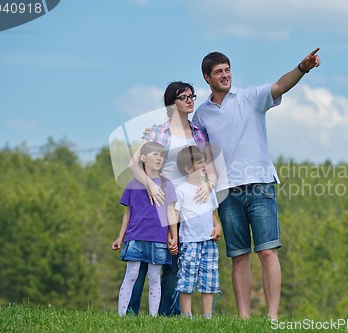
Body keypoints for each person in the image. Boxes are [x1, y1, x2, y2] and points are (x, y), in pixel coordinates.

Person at [191, 49, 321, 319]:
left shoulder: (250, 98)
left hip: (260, 185)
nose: (225, 75)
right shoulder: (201, 115)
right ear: (207, 78)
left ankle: (272, 317)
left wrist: (302, 68)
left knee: (268, 252)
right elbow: (197, 153)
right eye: (218, 72)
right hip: (226, 192)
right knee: (238, 256)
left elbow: (280, 85)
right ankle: (244, 319)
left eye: (227, 70)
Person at [130, 81, 219, 316]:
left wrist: (209, 186)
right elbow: (134, 165)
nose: (190, 100)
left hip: (190, 208)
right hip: (159, 204)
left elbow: (211, 171)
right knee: (146, 261)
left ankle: (169, 315)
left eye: (192, 96)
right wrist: (149, 184)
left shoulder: (200, 135)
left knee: (177, 263)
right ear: (172, 103)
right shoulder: (157, 132)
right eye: (183, 97)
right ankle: (130, 312)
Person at [111, 141, 178, 317]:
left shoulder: (167, 184)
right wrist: (120, 236)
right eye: (154, 154)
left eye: (162, 155)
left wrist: (174, 235)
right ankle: (122, 315)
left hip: (158, 239)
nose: (159, 158)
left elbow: (171, 212)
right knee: (131, 275)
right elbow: (127, 213)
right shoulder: (132, 184)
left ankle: (153, 317)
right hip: (134, 237)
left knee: (155, 278)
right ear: (143, 158)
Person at [174, 145, 222, 319]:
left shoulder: (208, 190)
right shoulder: (181, 190)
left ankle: (207, 316)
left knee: (209, 279)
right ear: (187, 168)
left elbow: (212, 213)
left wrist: (218, 226)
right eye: (199, 163)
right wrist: (172, 236)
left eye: (204, 163)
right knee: (187, 278)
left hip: (209, 241)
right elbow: (175, 215)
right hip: (190, 241)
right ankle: (186, 315)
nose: (204, 166)